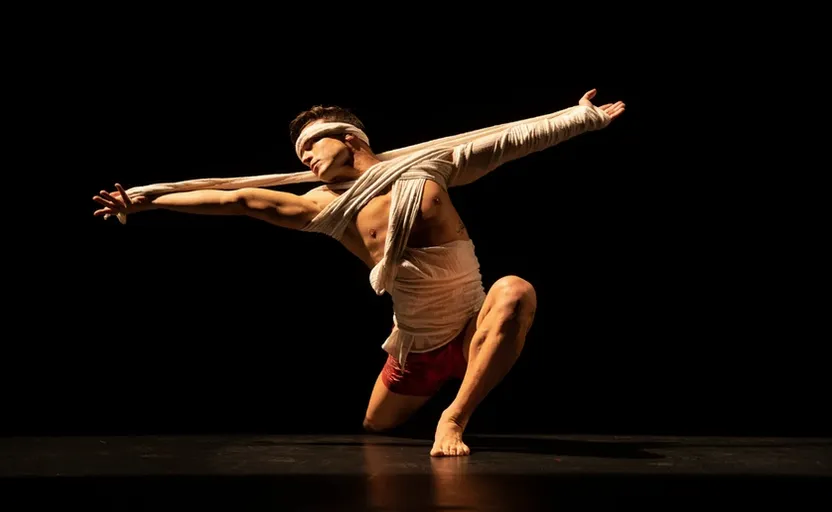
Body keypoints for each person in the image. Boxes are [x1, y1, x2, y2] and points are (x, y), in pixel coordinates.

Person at [92, 89, 625, 456]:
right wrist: (146, 201)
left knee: (515, 290)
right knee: (376, 429)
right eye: (297, 154)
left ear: (347, 137)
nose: (304, 160)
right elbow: (236, 198)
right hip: (416, 347)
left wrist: (581, 118)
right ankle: (436, 391)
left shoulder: (427, 166)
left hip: (472, 327)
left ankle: (455, 415)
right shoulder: (324, 207)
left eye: (310, 146)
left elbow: (507, 141)